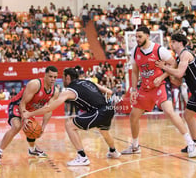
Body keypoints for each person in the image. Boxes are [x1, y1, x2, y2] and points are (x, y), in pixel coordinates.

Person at [121, 26, 196, 158]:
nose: (137, 39)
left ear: (147, 36)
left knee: (169, 112)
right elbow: (135, 71)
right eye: (136, 37)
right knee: (133, 116)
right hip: (145, 88)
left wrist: (161, 77)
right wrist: (133, 89)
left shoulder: (160, 50)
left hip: (160, 86)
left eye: (140, 36)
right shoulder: (134, 51)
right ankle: (135, 146)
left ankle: (191, 144)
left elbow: (173, 64)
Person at [23, 67, 121, 166]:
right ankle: (113, 151)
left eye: (63, 77)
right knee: (104, 131)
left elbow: (48, 108)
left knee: (70, 125)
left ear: (68, 77)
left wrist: (30, 114)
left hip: (99, 112)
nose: (62, 79)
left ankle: (82, 157)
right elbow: (109, 92)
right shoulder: (87, 81)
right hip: (109, 109)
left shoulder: (69, 91)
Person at [0, 66, 59, 168]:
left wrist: (43, 127)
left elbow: (49, 109)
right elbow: (22, 103)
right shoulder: (35, 84)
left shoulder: (55, 91)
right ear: (45, 75)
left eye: (55, 77)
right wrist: (25, 118)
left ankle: (32, 150)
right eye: (50, 76)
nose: (53, 79)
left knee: (33, 128)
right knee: (17, 126)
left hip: (29, 110)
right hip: (17, 105)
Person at [155, 33, 196, 153]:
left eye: (173, 42)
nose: (171, 44)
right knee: (188, 115)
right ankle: (193, 143)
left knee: (188, 115)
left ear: (180, 43)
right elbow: (178, 81)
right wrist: (164, 77)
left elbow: (178, 73)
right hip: (194, 91)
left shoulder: (185, 54)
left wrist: (165, 67)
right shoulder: (178, 58)